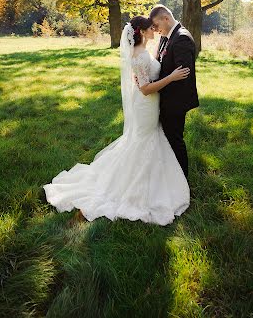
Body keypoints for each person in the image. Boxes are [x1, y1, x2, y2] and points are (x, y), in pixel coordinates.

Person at [43, 16, 191, 226]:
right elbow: (145, 89)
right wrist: (171, 78)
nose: (154, 30)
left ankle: (156, 181)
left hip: (149, 105)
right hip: (146, 104)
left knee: (148, 140)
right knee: (144, 141)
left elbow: (143, 79)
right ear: (141, 31)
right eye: (151, 28)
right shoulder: (139, 56)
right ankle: (134, 186)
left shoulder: (144, 52)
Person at [149, 5, 199, 180]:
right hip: (164, 98)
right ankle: (170, 176)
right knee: (167, 138)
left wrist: (156, 85)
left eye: (156, 25)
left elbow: (182, 74)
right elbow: (161, 62)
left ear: (166, 19)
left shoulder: (182, 38)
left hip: (175, 101)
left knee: (175, 140)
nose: (155, 30)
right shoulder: (167, 36)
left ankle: (182, 180)